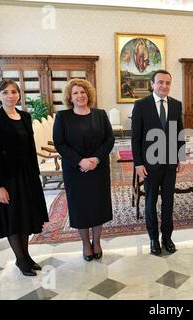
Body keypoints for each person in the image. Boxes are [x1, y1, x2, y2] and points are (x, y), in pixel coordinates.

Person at [0, 79, 48, 276]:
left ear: (19, 95)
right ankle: (21, 260)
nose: (10, 95)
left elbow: (30, 149)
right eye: (5, 92)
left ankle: (27, 257)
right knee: (13, 219)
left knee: (25, 218)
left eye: (14, 91)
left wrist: (35, 177)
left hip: (28, 176)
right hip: (8, 179)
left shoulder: (25, 117)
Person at [53, 79, 114, 261]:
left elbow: (109, 139)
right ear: (70, 98)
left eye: (83, 92)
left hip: (98, 168)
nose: (80, 96)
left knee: (98, 206)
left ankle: (97, 242)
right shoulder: (63, 117)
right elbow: (60, 143)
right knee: (80, 207)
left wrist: (95, 159)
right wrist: (80, 161)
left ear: (89, 94)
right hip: (75, 170)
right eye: (75, 93)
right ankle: (85, 244)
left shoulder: (100, 114)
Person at [131, 69, 185, 256]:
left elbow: (179, 133)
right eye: (160, 82)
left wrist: (180, 157)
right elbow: (135, 138)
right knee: (151, 202)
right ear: (152, 84)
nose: (164, 86)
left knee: (169, 202)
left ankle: (167, 238)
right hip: (149, 164)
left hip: (170, 163)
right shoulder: (141, 105)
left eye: (167, 83)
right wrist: (138, 163)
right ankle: (153, 238)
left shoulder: (176, 105)